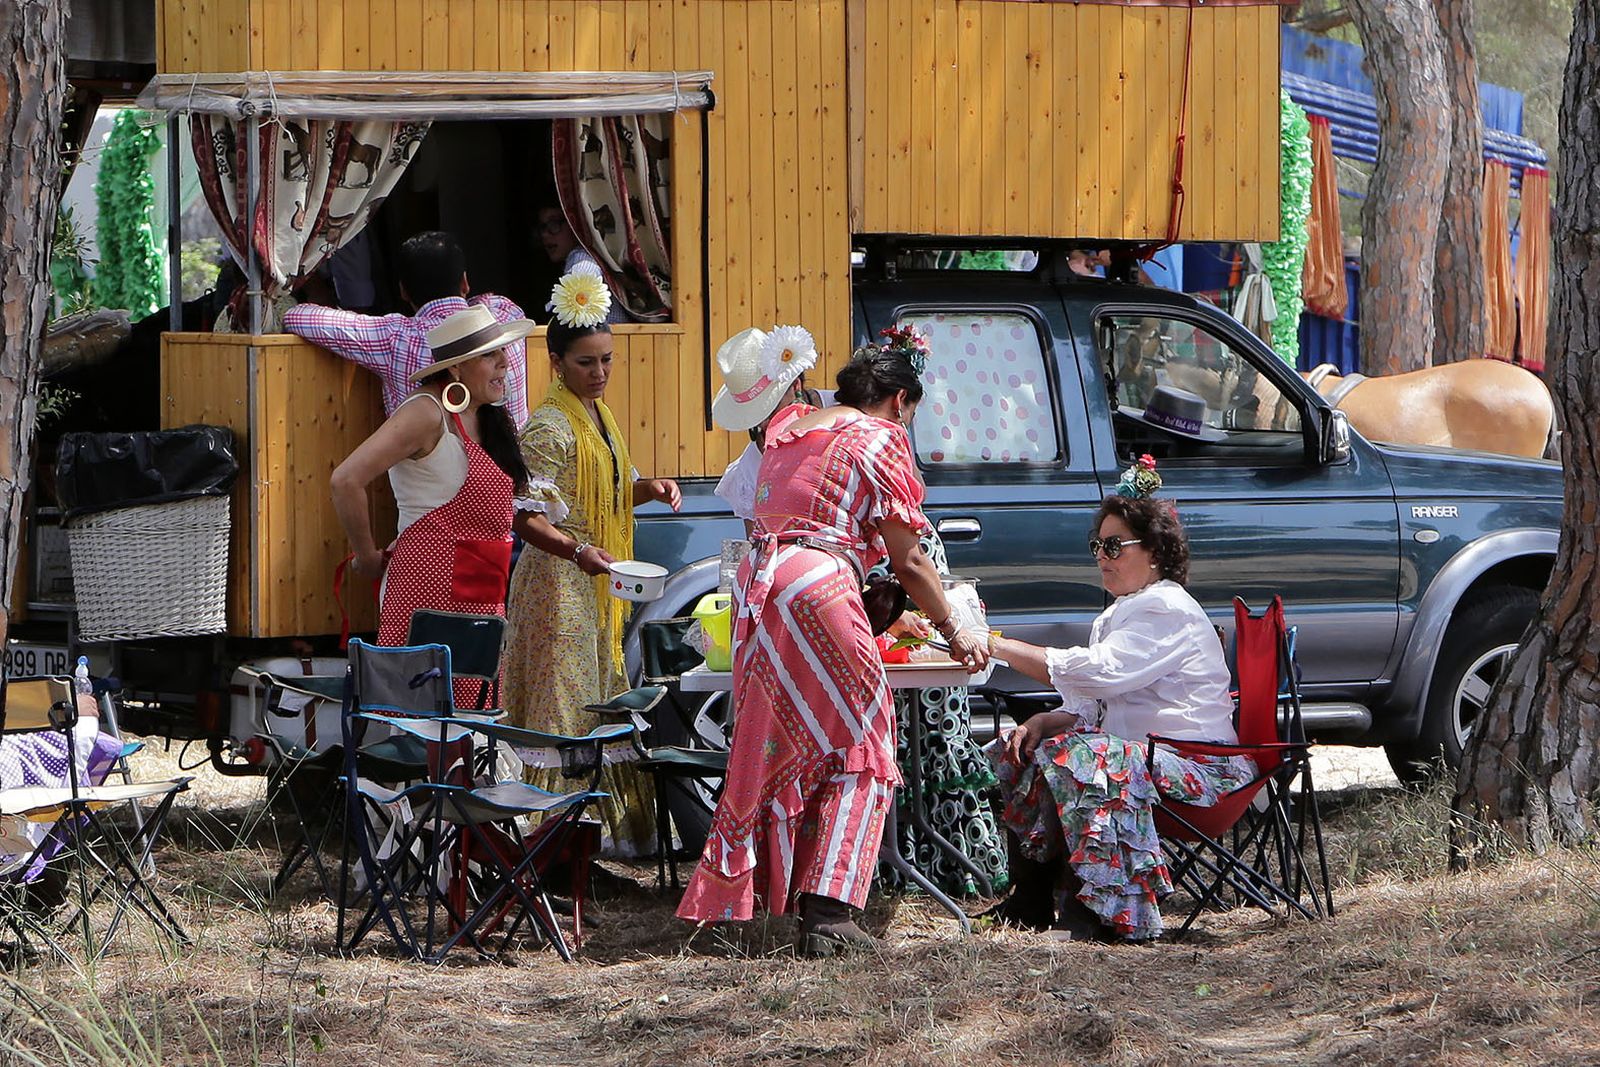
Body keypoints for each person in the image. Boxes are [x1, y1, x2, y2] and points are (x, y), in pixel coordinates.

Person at [676, 325, 990, 956]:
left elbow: (823, 528)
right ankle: (829, 912)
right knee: (864, 741)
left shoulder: (790, 430)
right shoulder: (880, 437)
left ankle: (744, 901)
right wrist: (956, 628)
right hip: (817, 585)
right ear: (900, 402)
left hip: (760, 595)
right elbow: (912, 561)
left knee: (775, 743)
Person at [985, 463, 1256, 943]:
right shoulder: (1119, 613)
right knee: (1021, 747)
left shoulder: (1165, 608)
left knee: (1086, 757)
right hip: (1148, 757)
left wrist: (996, 645)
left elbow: (1101, 671)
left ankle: (1097, 914)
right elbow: (1091, 703)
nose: (1102, 558)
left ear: (1154, 553)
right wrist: (1045, 720)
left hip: (1201, 767)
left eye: (1115, 546)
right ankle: (1030, 901)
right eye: (1097, 547)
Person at [502, 267, 680, 857]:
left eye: (606, 360)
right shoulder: (550, 427)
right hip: (558, 584)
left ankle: (583, 843)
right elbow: (526, 517)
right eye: (586, 362)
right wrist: (577, 550)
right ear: (555, 363)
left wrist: (647, 489)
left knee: (593, 701)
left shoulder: (599, 419)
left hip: (593, 580)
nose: (599, 373)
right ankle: (544, 846)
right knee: (563, 704)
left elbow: (598, 496)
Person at [329, 303, 531, 708]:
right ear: (455, 369)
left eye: (502, 353)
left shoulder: (487, 417)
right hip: (427, 592)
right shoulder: (426, 411)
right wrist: (368, 557)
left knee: (474, 724)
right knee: (426, 720)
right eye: (490, 356)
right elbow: (345, 480)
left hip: (482, 592)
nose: (504, 364)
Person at [285, 230, 533, 428]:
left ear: (403, 291)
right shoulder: (503, 314)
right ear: (465, 283)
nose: (502, 360)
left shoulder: (396, 337)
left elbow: (298, 317)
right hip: (515, 481)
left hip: (434, 487)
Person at [709, 324, 821, 535]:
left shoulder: (843, 412)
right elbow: (757, 545)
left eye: (770, 410)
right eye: (756, 417)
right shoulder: (749, 469)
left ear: (796, 387)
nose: (763, 424)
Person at [536, 206, 632, 324]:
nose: (545, 234)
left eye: (554, 224)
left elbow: (576, 296)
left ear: (574, 224)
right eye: (542, 227)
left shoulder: (582, 258)